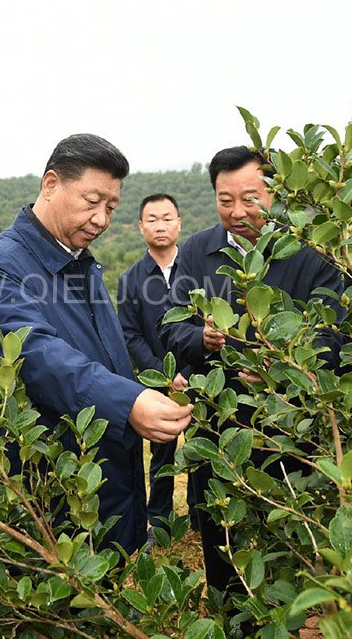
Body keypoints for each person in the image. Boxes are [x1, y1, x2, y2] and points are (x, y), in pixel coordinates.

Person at [0, 133, 193, 554]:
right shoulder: (2, 263)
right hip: (57, 482)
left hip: (107, 473)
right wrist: (128, 403)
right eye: (92, 201)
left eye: (111, 207)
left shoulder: (82, 262)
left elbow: (107, 353)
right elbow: (37, 356)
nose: (101, 219)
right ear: (51, 184)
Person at [160, 145, 343, 592]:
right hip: (217, 427)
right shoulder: (198, 251)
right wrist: (200, 339)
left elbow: (334, 332)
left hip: (290, 427)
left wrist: (284, 365)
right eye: (226, 200)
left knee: (289, 546)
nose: (238, 211)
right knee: (222, 537)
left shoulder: (310, 251)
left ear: (276, 193)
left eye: (251, 197)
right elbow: (171, 326)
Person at [117, 194, 197, 538]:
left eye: (167, 218)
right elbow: (130, 334)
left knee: (202, 450)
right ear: (140, 227)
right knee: (161, 452)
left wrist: (189, 374)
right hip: (157, 383)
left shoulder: (197, 270)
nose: (160, 226)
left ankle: (200, 515)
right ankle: (160, 522)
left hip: (200, 377)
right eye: (152, 219)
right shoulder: (131, 279)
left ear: (179, 222)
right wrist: (164, 376)